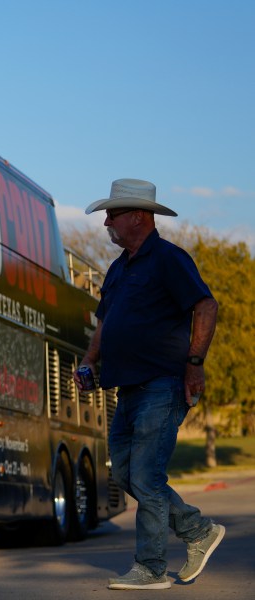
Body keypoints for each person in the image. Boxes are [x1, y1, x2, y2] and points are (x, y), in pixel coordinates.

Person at [75, 179, 224, 590]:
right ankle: (198, 532)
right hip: (127, 388)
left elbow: (206, 305)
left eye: (112, 214)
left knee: (145, 473)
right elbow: (106, 321)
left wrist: (195, 363)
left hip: (163, 383)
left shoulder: (169, 260)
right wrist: (89, 361)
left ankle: (152, 567)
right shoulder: (119, 268)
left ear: (138, 216)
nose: (106, 221)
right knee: (126, 475)